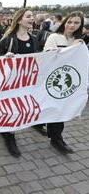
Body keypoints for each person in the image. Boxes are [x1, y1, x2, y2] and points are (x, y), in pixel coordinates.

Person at [0, 8, 39, 157]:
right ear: (19, 20)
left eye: (32, 16)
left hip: (26, 82)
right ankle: (10, 136)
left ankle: (7, 130)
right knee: (11, 108)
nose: (31, 19)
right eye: (28, 16)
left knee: (21, 108)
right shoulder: (8, 39)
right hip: (10, 82)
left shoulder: (34, 39)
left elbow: (38, 59)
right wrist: (5, 56)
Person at [43, 11, 85, 154]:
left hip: (68, 81)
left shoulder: (80, 41)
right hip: (52, 80)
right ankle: (51, 133)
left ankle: (56, 137)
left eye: (76, 23)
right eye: (70, 22)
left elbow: (82, 63)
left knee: (61, 109)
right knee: (51, 107)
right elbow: (47, 57)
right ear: (65, 22)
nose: (72, 25)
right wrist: (70, 47)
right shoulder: (54, 37)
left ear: (80, 25)